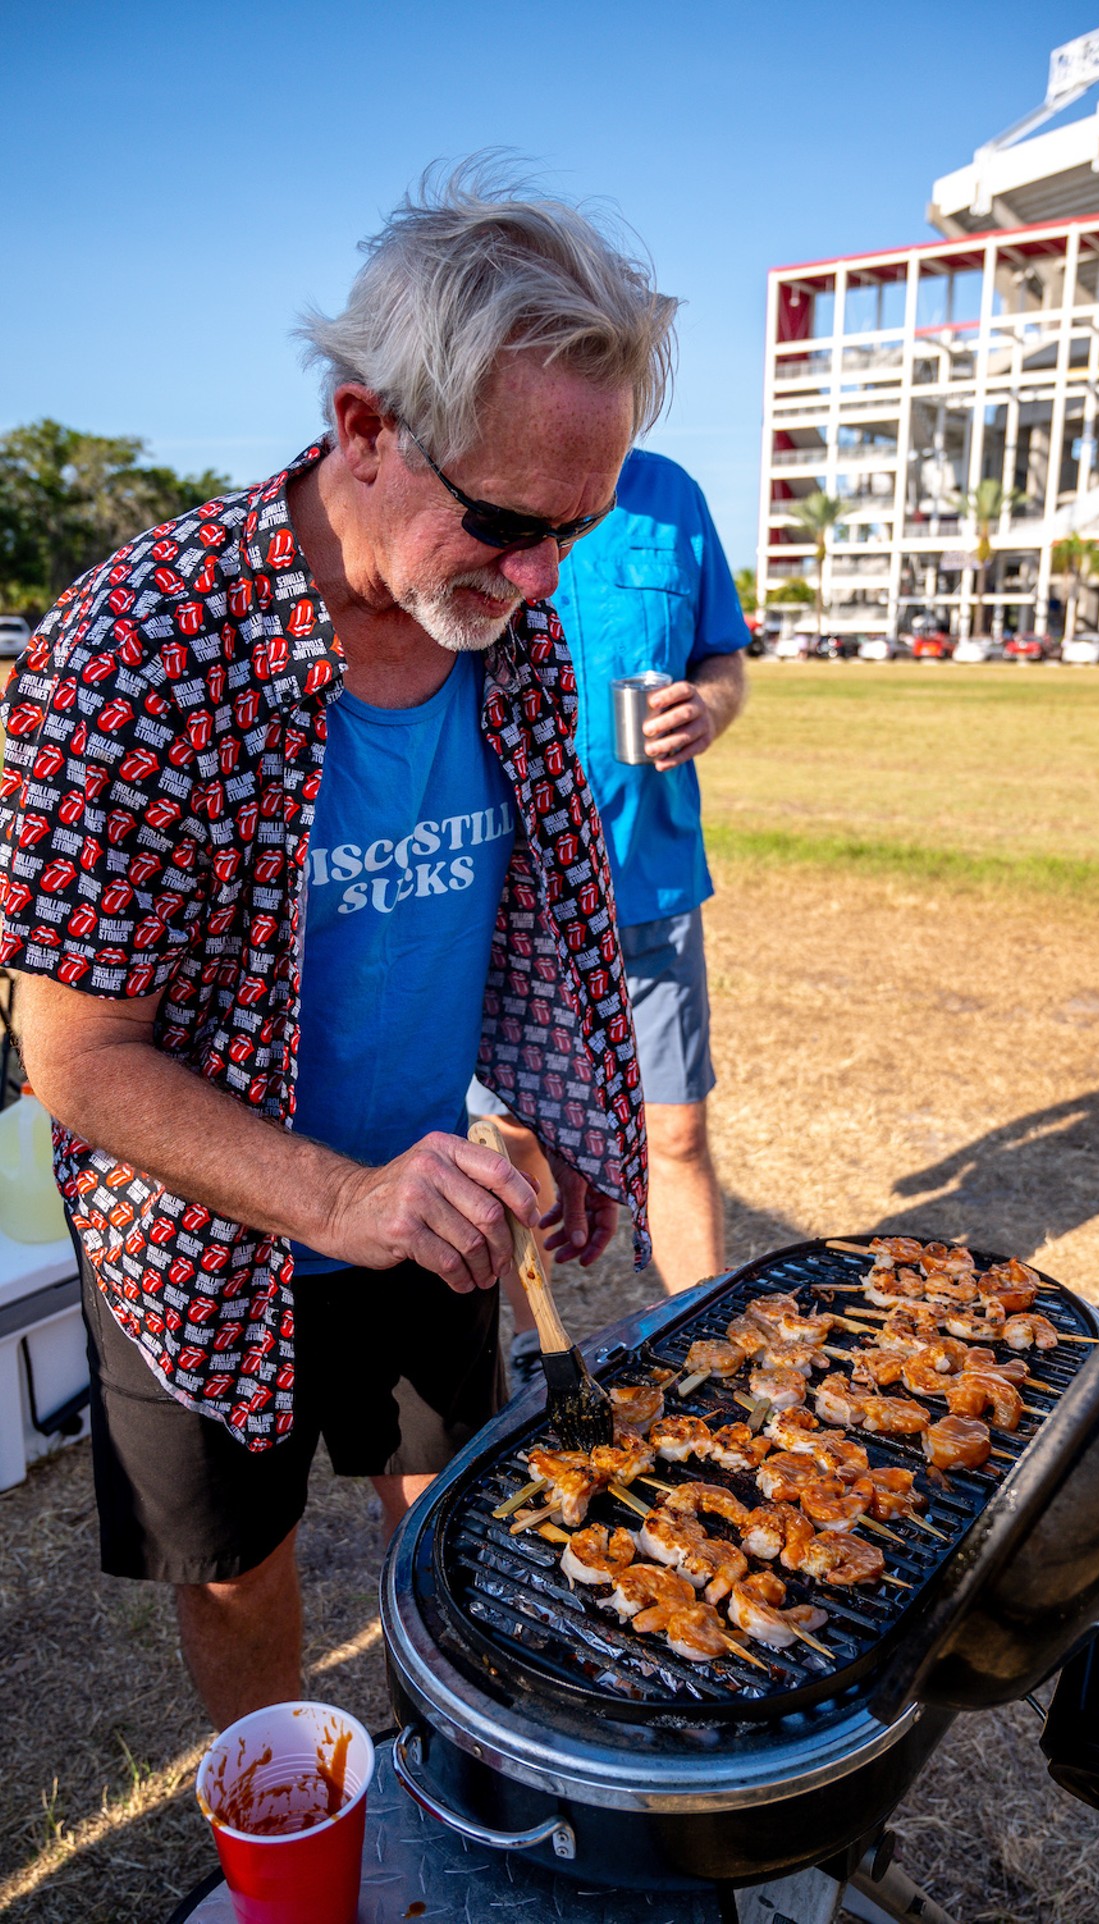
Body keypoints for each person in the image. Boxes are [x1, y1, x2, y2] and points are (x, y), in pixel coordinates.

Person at [0, 165, 676, 1728]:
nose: (539, 579)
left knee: (452, 1520)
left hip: (428, 1197)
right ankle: (293, 1840)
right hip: (202, 1235)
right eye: (509, 522)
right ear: (364, 427)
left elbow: (535, 902)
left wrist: (560, 1121)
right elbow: (74, 1053)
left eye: (573, 532)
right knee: (238, 1568)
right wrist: (341, 1199)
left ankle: (460, 1782)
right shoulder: (137, 652)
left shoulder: (504, 617)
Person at [480, 449, 748, 1388]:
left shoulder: (676, 495)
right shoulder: (486, 472)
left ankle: (705, 1346)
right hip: (516, 892)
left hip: (651, 881)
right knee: (514, 1137)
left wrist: (708, 707)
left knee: (674, 1133)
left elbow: (723, 654)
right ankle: (534, 1345)